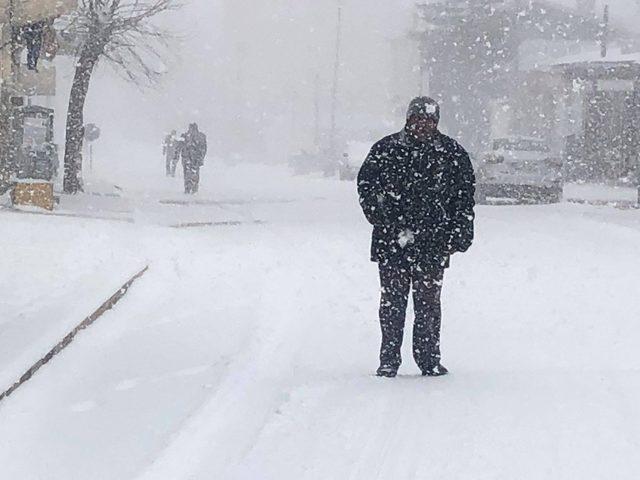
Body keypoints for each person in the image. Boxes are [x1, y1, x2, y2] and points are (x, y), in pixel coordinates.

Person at [357, 97, 476, 378]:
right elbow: (366, 185)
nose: (423, 125)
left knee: (428, 303)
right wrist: (381, 214)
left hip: (434, 242)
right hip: (392, 240)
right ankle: (389, 359)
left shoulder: (451, 153)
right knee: (392, 303)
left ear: (436, 122)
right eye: (418, 119)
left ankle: (428, 359)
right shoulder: (386, 149)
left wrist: (461, 232)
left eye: (429, 120)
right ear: (408, 120)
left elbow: (464, 196)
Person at [181, 123, 208, 194]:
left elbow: (204, 148)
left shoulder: (186, 136)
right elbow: (204, 148)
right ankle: (192, 187)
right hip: (192, 158)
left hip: (191, 158)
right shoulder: (200, 136)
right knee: (193, 173)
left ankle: (189, 187)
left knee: (189, 173)